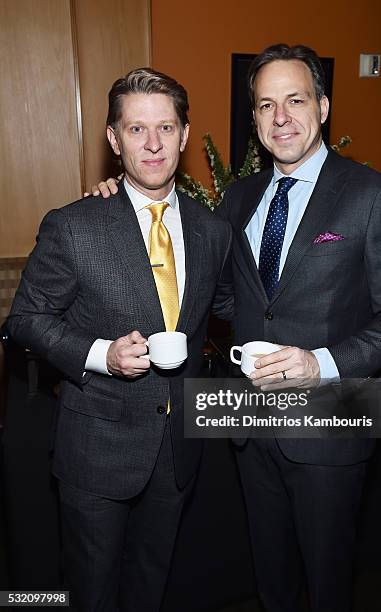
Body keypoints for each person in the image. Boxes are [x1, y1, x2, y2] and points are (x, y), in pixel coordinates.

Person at [93, 45, 381, 612]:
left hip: (330, 422)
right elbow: (218, 287)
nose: (281, 117)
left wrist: (321, 363)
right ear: (253, 121)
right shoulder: (239, 199)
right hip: (249, 422)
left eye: (295, 100)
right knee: (270, 577)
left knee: (327, 583)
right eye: (266, 105)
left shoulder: (373, 198)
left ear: (322, 107)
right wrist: (114, 202)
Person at [7, 68, 232, 611]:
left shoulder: (212, 230)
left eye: (165, 128)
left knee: (150, 584)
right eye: (136, 130)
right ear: (113, 139)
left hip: (179, 445)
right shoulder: (74, 225)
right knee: (92, 591)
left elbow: (230, 307)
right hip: (97, 449)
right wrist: (100, 355)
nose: (153, 144)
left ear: (183, 133)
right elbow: (25, 319)